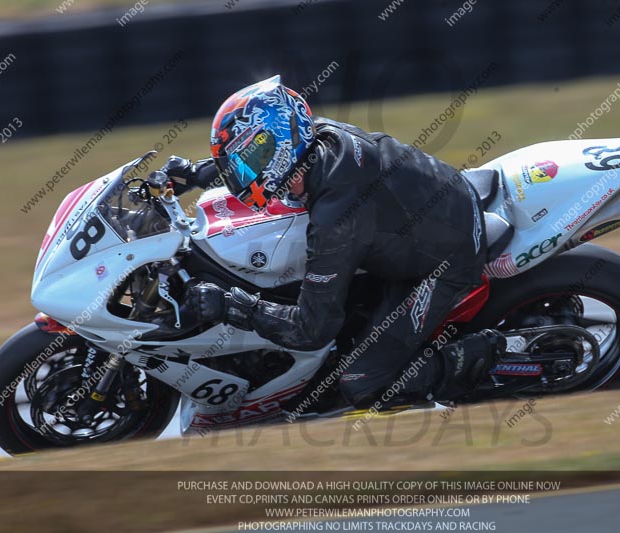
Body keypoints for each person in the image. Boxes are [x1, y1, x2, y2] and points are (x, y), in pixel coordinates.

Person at [164, 75, 505, 409]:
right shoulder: (318, 137)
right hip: (427, 213)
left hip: (446, 260)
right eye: (236, 163)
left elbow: (311, 330)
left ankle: (488, 357)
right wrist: (198, 174)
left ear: (280, 146)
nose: (240, 172)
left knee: (364, 383)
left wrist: (231, 306)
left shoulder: (336, 217)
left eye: (247, 160)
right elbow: (262, 158)